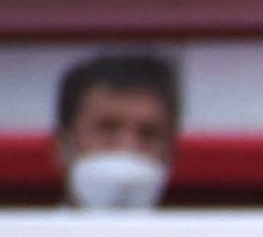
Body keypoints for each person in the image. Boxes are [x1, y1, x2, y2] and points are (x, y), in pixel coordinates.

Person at [54, 48, 176, 212]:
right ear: (62, 144)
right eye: (107, 128)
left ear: (170, 152)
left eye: (148, 133)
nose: (127, 148)